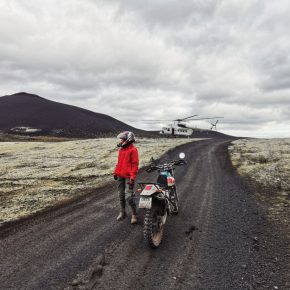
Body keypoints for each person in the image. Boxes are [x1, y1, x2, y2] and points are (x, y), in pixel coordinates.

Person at [114, 131, 139, 224]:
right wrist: (115, 172)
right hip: (120, 175)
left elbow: (135, 165)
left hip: (129, 176)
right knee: (121, 195)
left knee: (129, 196)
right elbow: (119, 163)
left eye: (122, 139)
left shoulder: (133, 150)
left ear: (128, 140)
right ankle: (122, 212)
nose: (120, 141)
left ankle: (134, 214)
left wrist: (132, 178)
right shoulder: (121, 149)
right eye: (120, 139)